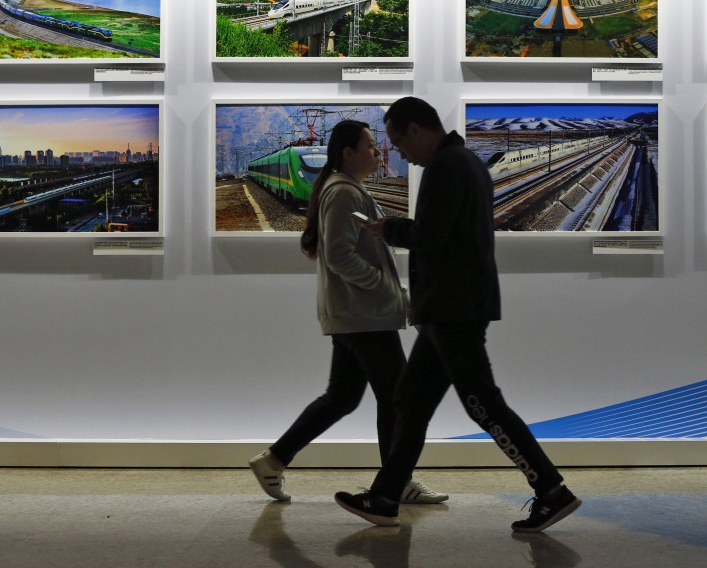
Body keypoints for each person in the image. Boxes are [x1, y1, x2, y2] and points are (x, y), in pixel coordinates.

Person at [334, 97, 581, 533]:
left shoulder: (447, 167)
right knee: (410, 403)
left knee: (483, 404)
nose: (399, 153)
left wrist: (389, 228)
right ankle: (386, 497)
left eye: (397, 141)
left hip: (455, 308)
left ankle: (551, 490)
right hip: (447, 307)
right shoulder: (464, 161)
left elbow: (430, 234)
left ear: (415, 129)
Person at [249, 119, 447, 506]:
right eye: (371, 145)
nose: (378, 151)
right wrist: (390, 289)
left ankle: (273, 460)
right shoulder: (343, 193)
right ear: (348, 153)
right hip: (364, 314)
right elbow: (340, 255)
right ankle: (397, 481)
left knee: (342, 397)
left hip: (356, 313)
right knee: (398, 399)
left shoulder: (347, 189)